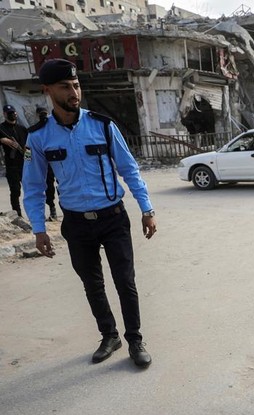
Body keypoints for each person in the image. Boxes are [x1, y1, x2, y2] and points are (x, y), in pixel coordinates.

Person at [22, 59, 158, 368]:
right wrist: (39, 229)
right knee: (92, 283)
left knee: (125, 281)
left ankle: (135, 339)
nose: (74, 92)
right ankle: (109, 335)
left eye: (76, 85)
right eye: (65, 87)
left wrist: (147, 209)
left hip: (113, 218)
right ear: (48, 91)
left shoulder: (102, 125)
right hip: (76, 223)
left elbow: (129, 170)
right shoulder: (39, 137)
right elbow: (32, 186)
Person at [31, 106, 58, 221]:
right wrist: (28, 161)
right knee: (40, 188)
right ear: (37, 116)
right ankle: (46, 212)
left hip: (56, 162)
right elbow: (28, 149)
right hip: (42, 163)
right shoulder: (35, 132)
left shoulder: (56, 129)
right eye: (41, 114)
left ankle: (55, 210)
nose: (43, 116)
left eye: (44, 114)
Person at [0, 105, 27, 217]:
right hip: (11, 165)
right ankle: (18, 214)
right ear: (5, 114)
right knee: (15, 190)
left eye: (13, 112)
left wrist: (28, 159)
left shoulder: (22, 128)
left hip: (24, 164)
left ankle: (33, 213)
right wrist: (2, 139)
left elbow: (28, 146)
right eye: (9, 112)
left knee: (31, 190)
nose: (12, 114)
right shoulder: (1, 129)